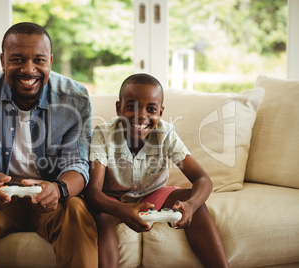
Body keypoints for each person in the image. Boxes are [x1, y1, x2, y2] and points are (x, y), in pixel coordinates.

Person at [0, 22, 98, 268]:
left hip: (52, 200)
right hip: (2, 201)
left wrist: (59, 189)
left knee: (75, 207)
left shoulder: (75, 99)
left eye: (39, 61)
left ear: (50, 61)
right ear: (3, 61)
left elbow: (78, 163)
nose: (28, 70)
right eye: (17, 59)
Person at [85, 73, 229, 268]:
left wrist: (191, 205)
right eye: (131, 107)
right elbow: (93, 192)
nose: (142, 115)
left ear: (160, 112)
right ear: (118, 108)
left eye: (151, 109)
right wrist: (122, 209)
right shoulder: (103, 134)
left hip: (154, 194)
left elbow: (202, 179)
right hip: (114, 199)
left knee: (194, 202)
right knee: (101, 218)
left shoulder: (165, 133)